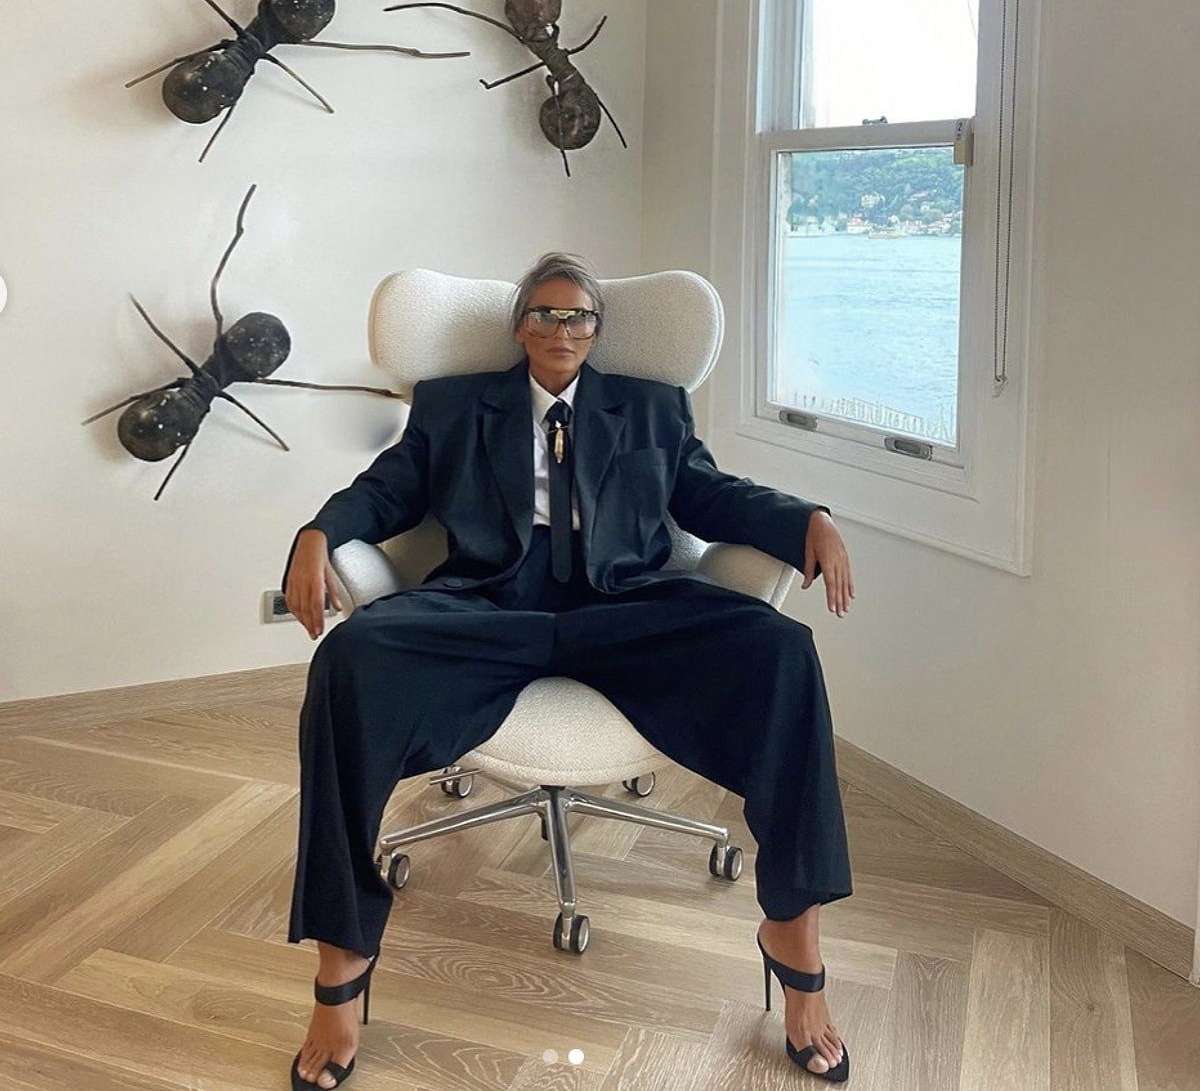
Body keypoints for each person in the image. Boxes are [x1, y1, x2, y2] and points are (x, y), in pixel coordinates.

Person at [285, 252, 856, 1088]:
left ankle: (795, 941)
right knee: (346, 661)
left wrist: (807, 519)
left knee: (783, 652)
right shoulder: (453, 405)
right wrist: (319, 533)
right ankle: (342, 959)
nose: (563, 328)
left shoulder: (653, 407)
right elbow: (387, 491)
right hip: (492, 603)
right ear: (520, 326)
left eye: (579, 315)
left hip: (625, 606)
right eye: (545, 314)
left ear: (596, 330)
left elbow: (709, 494)